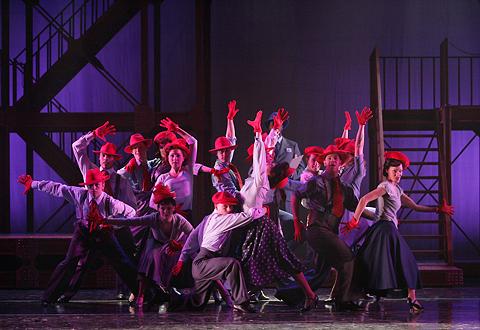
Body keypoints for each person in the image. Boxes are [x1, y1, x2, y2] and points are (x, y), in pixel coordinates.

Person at [342, 151, 454, 312]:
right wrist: (355, 220)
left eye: (400, 171)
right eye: (395, 171)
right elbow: (364, 199)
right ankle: (356, 296)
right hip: (383, 229)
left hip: (389, 230)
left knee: (399, 262)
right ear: (387, 171)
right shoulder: (385, 186)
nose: (399, 174)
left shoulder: (397, 189)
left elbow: (415, 206)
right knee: (385, 262)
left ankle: (411, 298)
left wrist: (437, 209)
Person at [17, 168, 138, 305]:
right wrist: (33, 183)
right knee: (69, 262)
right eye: (90, 185)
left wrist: (113, 223)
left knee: (121, 261)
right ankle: (50, 297)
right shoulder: (79, 194)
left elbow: (132, 213)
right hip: (83, 233)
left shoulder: (110, 202)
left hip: (103, 234)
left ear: (103, 185)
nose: (93, 188)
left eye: (96, 185)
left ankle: (143, 294)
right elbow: (57, 188)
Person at [239, 111, 318, 312]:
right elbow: (262, 154)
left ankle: (248, 295)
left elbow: (264, 157)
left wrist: (260, 134)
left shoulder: (263, 177)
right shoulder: (259, 174)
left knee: (275, 257)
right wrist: (264, 134)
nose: (268, 160)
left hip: (266, 217)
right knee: (277, 257)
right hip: (258, 219)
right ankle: (302, 293)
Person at [69, 121, 137, 301]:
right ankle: (67, 292)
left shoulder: (120, 180)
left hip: (112, 226)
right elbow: (76, 147)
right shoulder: (89, 171)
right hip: (91, 226)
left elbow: (130, 206)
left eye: (109, 156)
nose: (106, 159)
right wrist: (92, 134)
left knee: (127, 254)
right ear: (99, 157)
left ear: (115, 159)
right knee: (81, 262)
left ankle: (129, 289)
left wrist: (115, 220)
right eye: (103, 155)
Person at [292, 142, 364, 311]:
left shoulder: (345, 188)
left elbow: (356, 206)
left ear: (340, 163)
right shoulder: (315, 181)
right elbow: (296, 195)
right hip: (317, 229)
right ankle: (343, 300)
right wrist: (296, 222)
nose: (332, 160)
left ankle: (293, 294)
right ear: (324, 162)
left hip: (330, 231)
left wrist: (375, 213)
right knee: (348, 257)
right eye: (329, 158)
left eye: (335, 158)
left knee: (325, 268)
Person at [170, 191, 266, 313]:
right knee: (232, 264)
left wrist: (181, 260)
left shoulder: (207, 219)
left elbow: (191, 240)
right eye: (225, 206)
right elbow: (249, 216)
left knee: (197, 303)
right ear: (216, 206)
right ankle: (241, 303)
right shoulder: (223, 219)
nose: (229, 209)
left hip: (205, 263)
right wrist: (263, 210)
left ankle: (172, 297)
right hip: (203, 262)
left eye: (231, 206)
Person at [104, 184, 193, 307]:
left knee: (181, 260)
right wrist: (107, 220)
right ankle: (140, 294)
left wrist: (182, 245)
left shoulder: (179, 220)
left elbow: (193, 235)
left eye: (168, 208)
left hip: (175, 247)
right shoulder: (154, 218)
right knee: (150, 258)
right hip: (157, 244)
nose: (165, 212)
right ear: (158, 208)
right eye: (162, 208)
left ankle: (173, 290)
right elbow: (131, 221)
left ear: (173, 209)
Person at [153, 118, 197, 221]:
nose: (175, 159)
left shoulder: (188, 171)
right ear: (168, 158)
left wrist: (177, 129)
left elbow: (193, 142)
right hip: (168, 217)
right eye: (172, 156)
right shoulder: (163, 177)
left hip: (186, 216)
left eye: (178, 155)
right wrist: (166, 211)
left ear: (183, 157)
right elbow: (152, 202)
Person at [118, 133, 154, 216]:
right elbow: (117, 176)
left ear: (146, 148)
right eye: (134, 148)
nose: (137, 150)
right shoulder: (127, 170)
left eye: (140, 147)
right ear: (132, 152)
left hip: (153, 211)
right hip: (137, 212)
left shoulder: (153, 165)